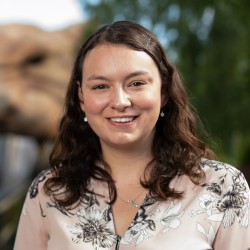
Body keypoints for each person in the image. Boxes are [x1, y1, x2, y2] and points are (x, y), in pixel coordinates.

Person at [14, 20, 250, 250]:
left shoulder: (222, 187)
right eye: (100, 86)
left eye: (136, 83)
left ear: (164, 91)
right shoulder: (49, 191)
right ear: (82, 98)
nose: (120, 102)